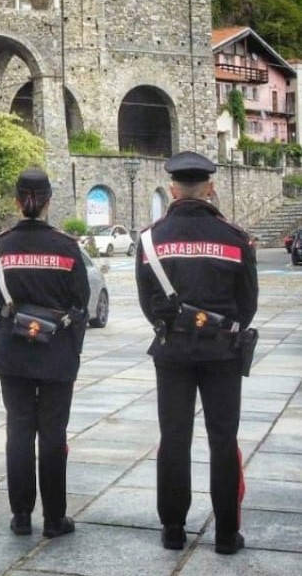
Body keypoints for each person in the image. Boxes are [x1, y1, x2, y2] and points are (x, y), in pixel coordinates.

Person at [135, 151, 257, 556]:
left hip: (172, 353)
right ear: (211, 188)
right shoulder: (236, 238)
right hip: (223, 353)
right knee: (223, 440)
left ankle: (173, 528)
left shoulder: (151, 239)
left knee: (174, 438)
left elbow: (148, 303)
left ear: (172, 190)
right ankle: (225, 534)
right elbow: (248, 303)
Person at [0, 167, 89, 539]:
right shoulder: (67, 246)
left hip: (13, 351)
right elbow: (81, 303)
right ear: (48, 201)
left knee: (18, 430)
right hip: (57, 353)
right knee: (52, 434)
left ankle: (20, 516)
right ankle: (54, 518)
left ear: (17, 200)